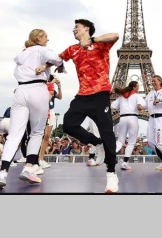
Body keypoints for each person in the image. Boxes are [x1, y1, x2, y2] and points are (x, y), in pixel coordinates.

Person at [0, 29, 64, 189]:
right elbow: (58, 59)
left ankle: (2, 173)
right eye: (46, 36)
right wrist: (54, 65)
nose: (48, 39)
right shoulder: (42, 49)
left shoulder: (24, 52)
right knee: (37, 132)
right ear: (39, 37)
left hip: (20, 90)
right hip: (38, 89)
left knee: (14, 134)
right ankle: (29, 168)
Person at [58, 19, 121, 193]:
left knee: (107, 131)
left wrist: (93, 41)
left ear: (86, 29)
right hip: (82, 96)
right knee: (69, 124)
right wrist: (51, 65)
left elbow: (115, 35)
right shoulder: (73, 49)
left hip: (100, 94)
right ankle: (96, 143)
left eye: (76, 27)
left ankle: (111, 173)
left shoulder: (101, 45)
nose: (73, 30)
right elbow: (58, 57)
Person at [111, 81, 146, 171]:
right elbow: (144, 105)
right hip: (133, 118)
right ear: (134, 87)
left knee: (120, 141)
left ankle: (110, 154)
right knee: (131, 142)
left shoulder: (121, 97)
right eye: (138, 87)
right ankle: (125, 163)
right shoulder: (137, 96)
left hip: (122, 118)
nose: (138, 88)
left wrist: (123, 106)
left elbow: (113, 105)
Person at [38, 75, 62, 169]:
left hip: (51, 111)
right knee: (39, 135)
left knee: (47, 137)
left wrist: (59, 86)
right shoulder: (42, 87)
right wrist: (51, 83)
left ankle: (41, 158)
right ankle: (36, 158)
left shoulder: (52, 90)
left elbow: (60, 97)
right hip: (42, 110)